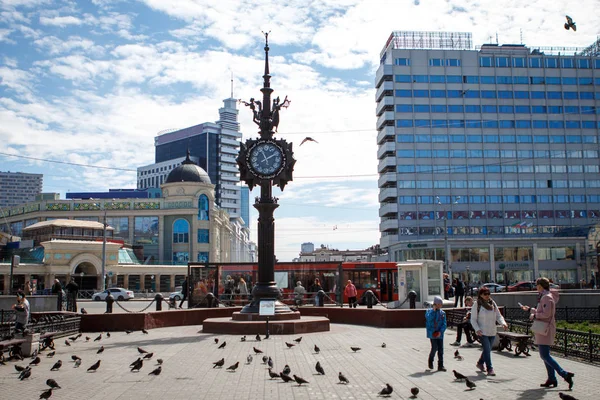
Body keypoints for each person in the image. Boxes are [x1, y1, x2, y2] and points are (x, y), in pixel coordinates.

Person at [521, 277, 575, 389]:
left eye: (537, 285)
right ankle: (551, 378)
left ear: (540, 286)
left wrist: (535, 315)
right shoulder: (545, 296)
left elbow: (546, 314)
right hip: (544, 328)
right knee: (545, 355)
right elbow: (543, 312)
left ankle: (564, 374)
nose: (536, 287)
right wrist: (530, 309)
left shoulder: (546, 297)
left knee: (544, 355)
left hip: (545, 329)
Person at [470, 287, 508, 376]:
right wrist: (477, 329)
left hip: (492, 330)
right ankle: (490, 368)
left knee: (487, 349)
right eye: (485, 294)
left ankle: (480, 363)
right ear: (480, 295)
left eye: (488, 294)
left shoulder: (492, 303)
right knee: (487, 349)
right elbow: (473, 319)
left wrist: (503, 323)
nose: (487, 296)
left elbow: (498, 316)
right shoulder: (477, 304)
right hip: (482, 331)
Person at [425, 296, 447, 371]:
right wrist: (433, 311)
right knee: (434, 348)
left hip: (440, 334)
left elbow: (444, 324)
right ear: (435, 304)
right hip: (432, 333)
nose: (440, 305)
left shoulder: (442, 313)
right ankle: (430, 360)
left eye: (441, 304)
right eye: (438, 304)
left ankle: (440, 365)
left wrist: (440, 331)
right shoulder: (429, 312)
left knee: (441, 349)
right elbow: (429, 320)